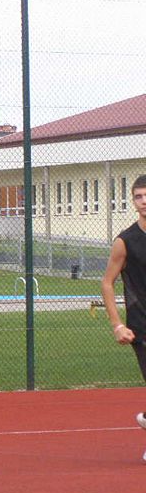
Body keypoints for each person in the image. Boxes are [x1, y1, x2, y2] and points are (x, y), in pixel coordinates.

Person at [101, 174, 146, 460]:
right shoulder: (125, 241)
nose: (144, 201)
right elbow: (107, 283)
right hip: (142, 325)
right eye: (138, 197)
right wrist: (117, 324)